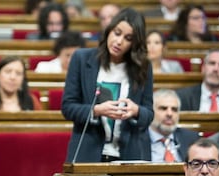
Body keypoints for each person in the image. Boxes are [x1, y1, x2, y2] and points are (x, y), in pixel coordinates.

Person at [61, 7, 154, 163]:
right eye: (117, 33)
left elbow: (149, 114)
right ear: (109, 30)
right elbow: (68, 107)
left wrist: (136, 111)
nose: (119, 41)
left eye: (128, 38)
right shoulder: (82, 59)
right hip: (88, 153)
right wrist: (96, 110)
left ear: (135, 43)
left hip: (128, 154)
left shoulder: (143, 67)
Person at [141, 89, 200, 162]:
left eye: (174, 109)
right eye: (163, 108)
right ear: (151, 111)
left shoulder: (191, 138)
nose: (169, 114)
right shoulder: (136, 139)